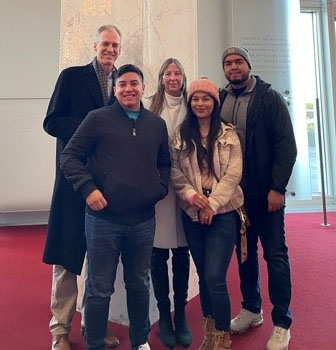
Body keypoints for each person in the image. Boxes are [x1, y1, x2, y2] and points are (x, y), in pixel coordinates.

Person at [60, 64, 171, 350]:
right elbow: (69, 157)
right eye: (122, 84)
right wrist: (89, 189)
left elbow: (164, 164)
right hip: (103, 220)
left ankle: (139, 341)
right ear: (115, 88)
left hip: (143, 221)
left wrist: (158, 190)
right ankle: (94, 343)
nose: (128, 89)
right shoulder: (97, 119)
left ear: (144, 87)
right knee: (99, 288)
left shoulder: (156, 124)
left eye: (134, 83)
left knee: (139, 284)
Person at [42, 25, 122, 350]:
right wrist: (90, 127)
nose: (110, 50)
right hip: (73, 184)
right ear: (95, 45)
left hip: (107, 186)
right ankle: (60, 330)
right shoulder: (71, 76)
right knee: (66, 260)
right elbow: (51, 122)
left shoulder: (123, 82)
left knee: (99, 263)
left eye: (115, 45)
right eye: (105, 44)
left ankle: (94, 328)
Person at [220, 47, 297, 350]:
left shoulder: (269, 98)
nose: (233, 67)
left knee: (275, 255)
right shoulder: (221, 97)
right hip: (236, 196)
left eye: (238, 62)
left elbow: (286, 145)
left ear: (248, 65)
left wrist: (278, 188)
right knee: (245, 254)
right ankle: (252, 309)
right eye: (228, 63)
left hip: (267, 195)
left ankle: (281, 322)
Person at [170, 77, 244, 350]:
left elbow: (234, 173)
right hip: (192, 211)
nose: (201, 103)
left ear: (215, 102)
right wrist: (193, 197)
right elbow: (175, 172)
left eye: (206, 98)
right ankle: (210, 333)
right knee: (203, 275)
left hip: (223, 211)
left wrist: (212, 205)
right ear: (190, 103)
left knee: (215, 276)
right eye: (196, 99)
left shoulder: (228, 133)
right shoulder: (180, 134)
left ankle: (222, 336)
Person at [143, 58, 191, 348]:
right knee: (158, 254)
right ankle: (163, 315)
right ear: (161, 78)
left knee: (182, 252)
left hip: (186, 188)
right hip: (158, 188)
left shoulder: (194, 103)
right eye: (168, 73)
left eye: (177, 73)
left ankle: (181, 314)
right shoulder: (149, 105)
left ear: (183, 78)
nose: (173, 78)